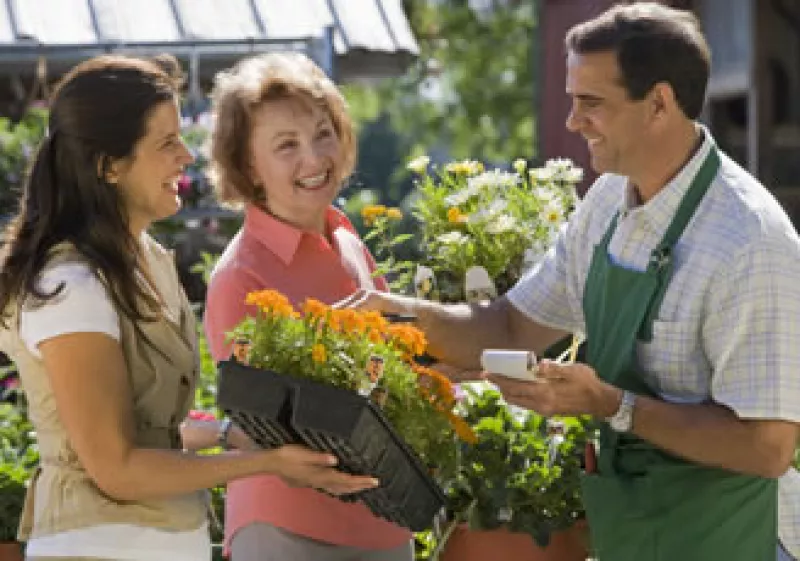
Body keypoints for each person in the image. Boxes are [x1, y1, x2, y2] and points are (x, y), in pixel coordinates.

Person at [340, 4, 800, 561]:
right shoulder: (609, 200)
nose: (572, 121)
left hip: (727, 540)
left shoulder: (748, 239)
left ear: (659, 103)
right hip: (634, 535)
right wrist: (400, 319)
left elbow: (767, 446)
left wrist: (610, 404)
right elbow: (511, 323)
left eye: (592, 103)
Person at [0, 54, 376, 561]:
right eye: (166, 143)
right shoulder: (70, 285)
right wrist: (264, 462)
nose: (187, 156)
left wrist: (229, 435)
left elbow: (149, 428)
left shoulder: (145, 260)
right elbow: (117, 467)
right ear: (110, 166)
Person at [201, 53, 414, 561]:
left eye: (323, 133)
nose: (315, 159)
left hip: (383, 519)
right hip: (289, 529)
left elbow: (395, 365)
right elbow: (257, 426)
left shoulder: (345, 238)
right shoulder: (240, 277)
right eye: (286, 146)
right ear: (248, 165)